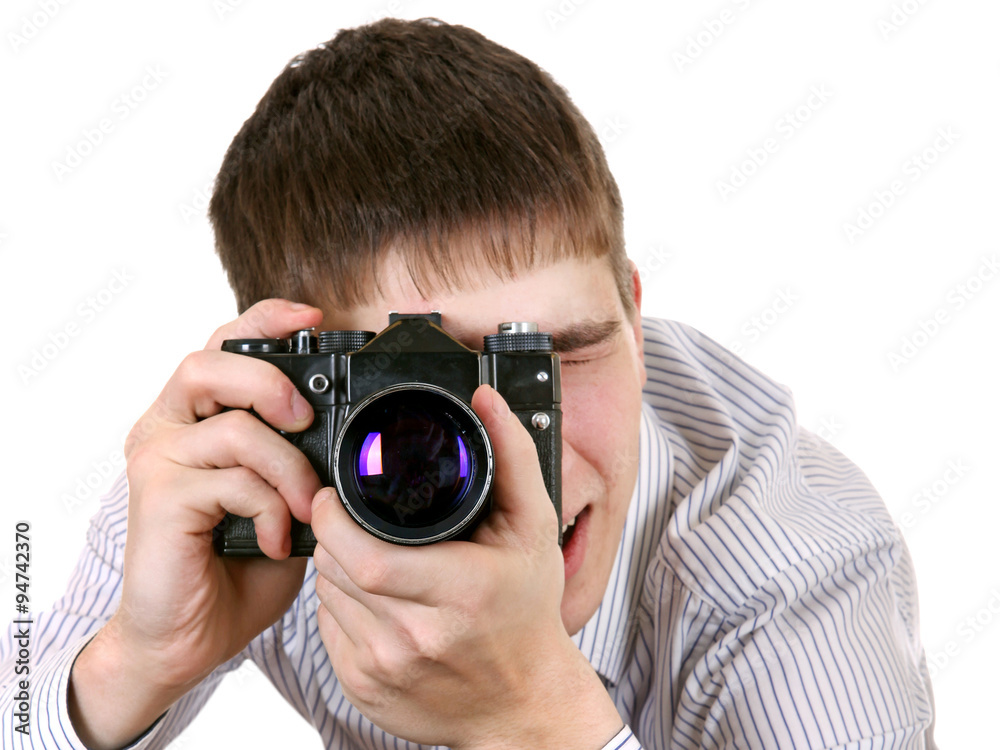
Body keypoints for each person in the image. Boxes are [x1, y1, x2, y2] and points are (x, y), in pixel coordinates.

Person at [0, 17, 936, 749]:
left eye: (553, 356)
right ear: (299, 382)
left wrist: (533, 719)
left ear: (635, 317)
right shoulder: (254, 462)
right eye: (418, 398)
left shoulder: (799, 572)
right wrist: (129, 664)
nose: (519, 454)